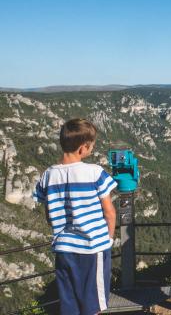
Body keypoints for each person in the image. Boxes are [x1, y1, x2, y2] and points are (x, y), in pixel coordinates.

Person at [33, 118, 117, 315]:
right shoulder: (95, 172)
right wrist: (109, 238)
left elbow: (48, 214)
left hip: (63, 249)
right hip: (92, 248)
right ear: (83, 148)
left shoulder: (47, 175)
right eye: (92, 146)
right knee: (93, 305)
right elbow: (110, 212)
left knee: (69, 305)